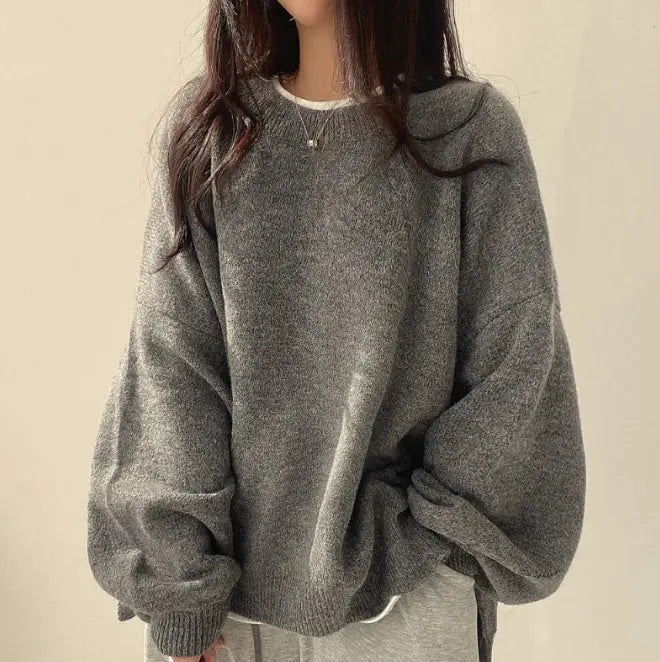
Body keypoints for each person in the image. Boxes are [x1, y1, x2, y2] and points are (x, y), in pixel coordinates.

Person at [86, 1, 587, 661]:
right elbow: (171, 369)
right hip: (226, 613)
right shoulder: (211, 131)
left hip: (409, 598)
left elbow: (518, 365)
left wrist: (433, 548)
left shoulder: (468, 131)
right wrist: (182, 595)